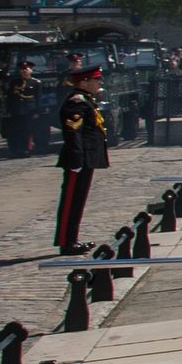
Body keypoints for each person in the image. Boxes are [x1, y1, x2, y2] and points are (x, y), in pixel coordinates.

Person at [55, 64, 109, 249]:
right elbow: (73, 133)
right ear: (85, 82)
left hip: (87, 157)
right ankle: (66, 241)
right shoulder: (76, 102)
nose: (99, 83)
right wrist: (77, 159)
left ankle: (72, 239)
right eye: (97, 80)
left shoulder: (86, 99)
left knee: (78, 200)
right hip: (78, 158)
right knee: (71, 200)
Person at [5, 58, 44, 158]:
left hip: (29, 110)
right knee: (16, 131)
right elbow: (10, 98)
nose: (24, 71)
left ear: (31, 70)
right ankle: (16, 149)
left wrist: (37, 111)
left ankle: (26, 149)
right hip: (16, 110)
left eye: (26, 69)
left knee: (27, 131)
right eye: (22, 69)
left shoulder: (36, 82)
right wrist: (8, 110)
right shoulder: (14, 83)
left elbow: (38, 98)